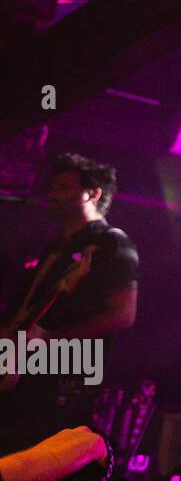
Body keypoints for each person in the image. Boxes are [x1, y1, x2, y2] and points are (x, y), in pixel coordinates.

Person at [0, 154, 139, 457]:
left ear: (92, 194)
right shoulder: (56, 248)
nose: (51, 194)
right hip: (19, 376)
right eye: (52, 187)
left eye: (62, 187)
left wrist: (50, 340)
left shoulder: (111, 243)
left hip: (52, 384)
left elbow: (123, 314)